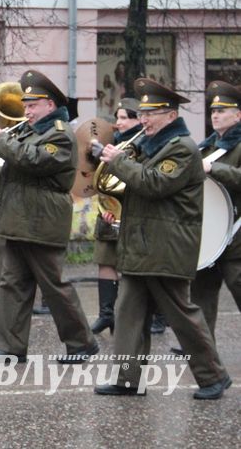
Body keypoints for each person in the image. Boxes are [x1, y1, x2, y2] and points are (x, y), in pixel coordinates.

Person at [95, 78, 231, 399]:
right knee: (127, 312)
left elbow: (155, 183)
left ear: (170, 115)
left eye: (151, 113)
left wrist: (119, 160)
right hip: (142, 245)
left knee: (181, 314)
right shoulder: (150, 146)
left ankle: (213, 376)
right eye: (142, 113)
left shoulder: (182, 148)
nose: (143, 119)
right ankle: (128, 379)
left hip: (166, 246)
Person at [0, 70, 97, 365]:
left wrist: (1, 141)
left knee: (54, 285)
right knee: (11, 285)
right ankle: (9, 348)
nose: (26, 111)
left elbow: (37, 161)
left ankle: (81, 343)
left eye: (32, 105)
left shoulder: (59, 133)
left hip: (41, 221)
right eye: (26, 105)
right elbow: (15, 172)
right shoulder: (28, 132)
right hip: (17, 219)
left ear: (50, 105)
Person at [181, 81, 241, 348]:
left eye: (223, 110)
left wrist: (213, 168)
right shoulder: (205, 147)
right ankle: (208, 365)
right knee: (201, 303)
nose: (215, 115)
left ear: (238, 115)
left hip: (237, 239)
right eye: (213, 110)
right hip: (208, 238)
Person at [90, 98, 141, 334]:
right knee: (105, 259)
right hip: (108, 209)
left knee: (136, 267)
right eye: (117, 117)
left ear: (138, 119)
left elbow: (137, 180)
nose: (118, 123)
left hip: (131, 212)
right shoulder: (114, 142)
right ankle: (106, 315)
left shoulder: (140, 144)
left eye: (123, 118)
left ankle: (155, 317)